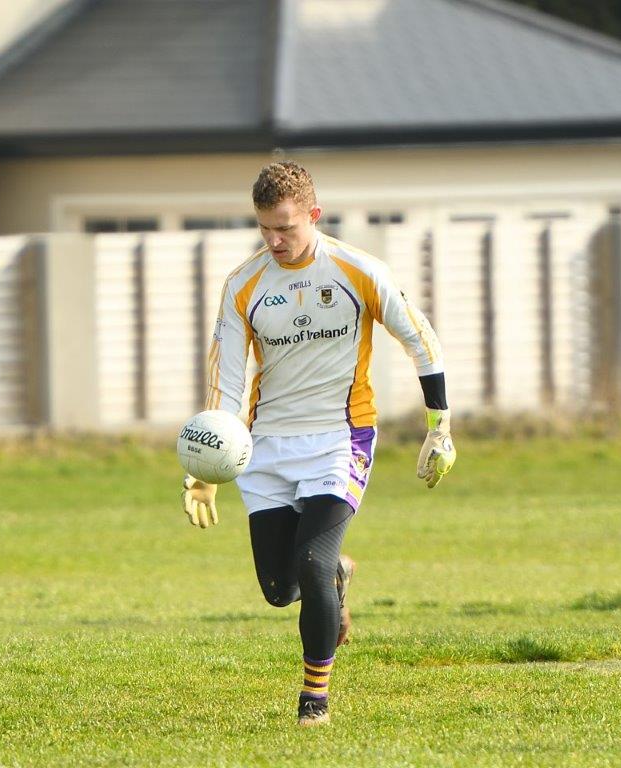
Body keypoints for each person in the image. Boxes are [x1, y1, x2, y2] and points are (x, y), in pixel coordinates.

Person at [181, 160, 456, 726]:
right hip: (266, 449)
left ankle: (315, 700)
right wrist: (207, 464)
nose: (275, 241)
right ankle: (337, 576)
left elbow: (420, 340)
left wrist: (440, 425)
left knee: (311, 560)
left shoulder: (358, 271)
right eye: (265, 229)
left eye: (286, 227)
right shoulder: (243, 285)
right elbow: (226, 381)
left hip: (340, 439)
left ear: (314, 214)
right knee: (281, 590)